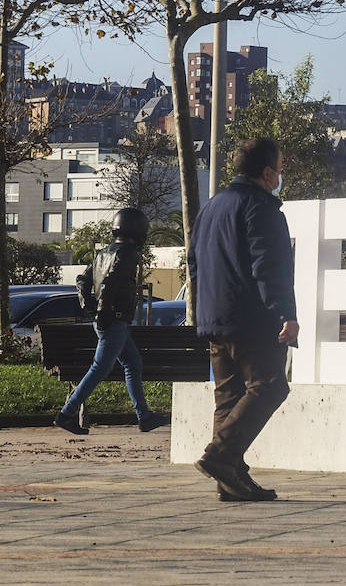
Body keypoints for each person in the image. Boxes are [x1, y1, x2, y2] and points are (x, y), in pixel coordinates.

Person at [188, 137, 298, 502]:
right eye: (280, 170)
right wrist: (285, 313)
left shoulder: (212, 206)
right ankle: (219, 457)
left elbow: (194, 262)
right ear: (267, 173)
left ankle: (230, 480)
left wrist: (203, 310)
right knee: (270, 385)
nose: (281, 176)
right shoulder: (261, 207)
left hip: (215, 317)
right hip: (252, 317)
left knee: (229, 398)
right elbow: (270, 267)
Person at [54, 208, 171, 435]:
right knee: (99, 369)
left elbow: (83, 280)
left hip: (110, 321)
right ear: (137, 230)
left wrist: (89, 305)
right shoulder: (128, 254)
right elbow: (111, 281)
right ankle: (66, 414)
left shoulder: (103, 253)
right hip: (114, 321)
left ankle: (144, 416)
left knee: (133, 364)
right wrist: (103, 309)